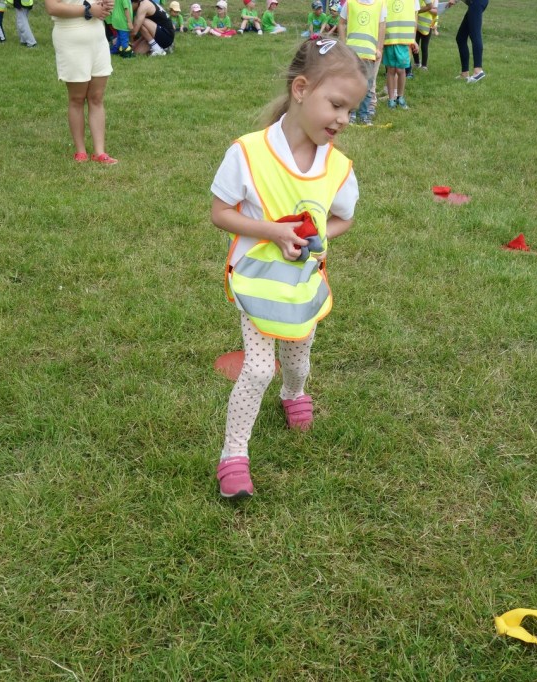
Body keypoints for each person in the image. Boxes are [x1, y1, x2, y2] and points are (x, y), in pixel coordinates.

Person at [210, 39, 368, 499]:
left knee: (298, 361)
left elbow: (344, 218)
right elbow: (220, 213)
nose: (343, 119)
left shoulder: (338, 168)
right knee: (259, 369)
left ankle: (294, 393)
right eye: (336, 105)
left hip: (301, 286)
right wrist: (272, 232)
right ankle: (233, 455)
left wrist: (317, 237)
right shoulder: (248, 153)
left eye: (351, 110)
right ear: (301, 89)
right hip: (257, 283)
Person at [44, 0, 119, 164]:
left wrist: (105, 5)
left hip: (97, 38)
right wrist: (88, 10)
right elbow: (52, 8)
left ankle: (100, 152)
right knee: (77, 98)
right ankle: (81, 151)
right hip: (69, 38)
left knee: (97, 97)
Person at [341, 0, 385, 125]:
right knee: (352, 84)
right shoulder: (350, 3)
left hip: (370, 54)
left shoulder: (380, 4)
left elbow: (382, 26)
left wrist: (379, 48)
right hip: (352, 53)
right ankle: (351, 113)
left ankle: (364, 115)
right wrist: (343, 44)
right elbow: (341, 23)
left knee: (368, 85)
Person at [383, 0, 417, 109]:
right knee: (391, 70)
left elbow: (415, 19)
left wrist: (413, 40)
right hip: (389, 39)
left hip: (404, 40)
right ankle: (391, 99)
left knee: (401, 70)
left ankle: (400, 97)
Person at [447, 0, 486, 82]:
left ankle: (478, 71)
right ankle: (465, 74)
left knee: (475, 34)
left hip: (477, 2)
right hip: (474, 3)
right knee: (461, 38)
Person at [414, 0, 436, 69]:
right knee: (414, 45)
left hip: (427, 26)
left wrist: (428, 8)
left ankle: (424, 65)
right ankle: (416, 63)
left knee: (424, 46)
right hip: (416, 25)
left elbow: (436, 11)